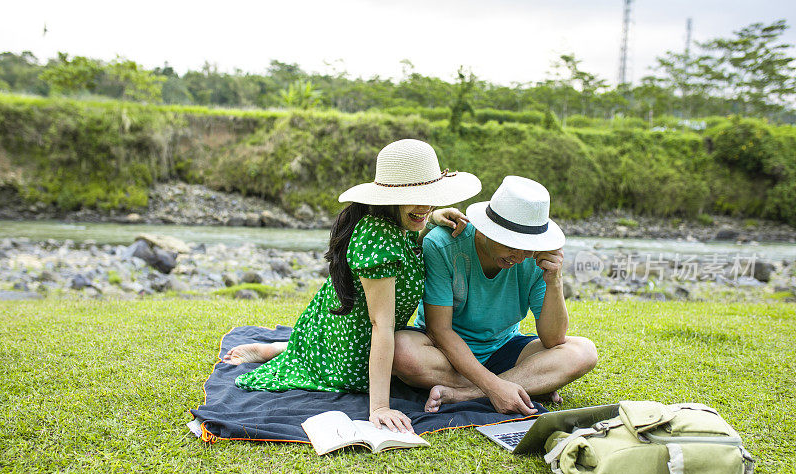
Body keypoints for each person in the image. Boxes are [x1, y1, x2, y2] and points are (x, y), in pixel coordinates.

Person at [230, 139, 481, 433]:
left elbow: (412, 231)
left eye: (429, 196)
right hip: (353, 350)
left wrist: (431, 216)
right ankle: (287, 351)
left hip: (332, 329)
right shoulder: (379, 238)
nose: (425, 205)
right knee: (363, 364)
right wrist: (379, 407)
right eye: (415, 197)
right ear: (388, 197)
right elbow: (381, 325)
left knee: (318, 350)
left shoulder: (393, 223)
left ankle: (285, 348)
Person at [392, 175, 598, 415]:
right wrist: (496, 385)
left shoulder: (537, 259)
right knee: (400, 350)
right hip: (442, 353)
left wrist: (554, 280)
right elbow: (440, 331)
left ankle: (466, 393)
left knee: (583, 351)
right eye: (511, 244)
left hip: (503, 348)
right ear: (486, 229)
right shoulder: (442, 244)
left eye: (528, 247)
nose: (520, 257)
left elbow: (553, 340)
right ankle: (523, 384)